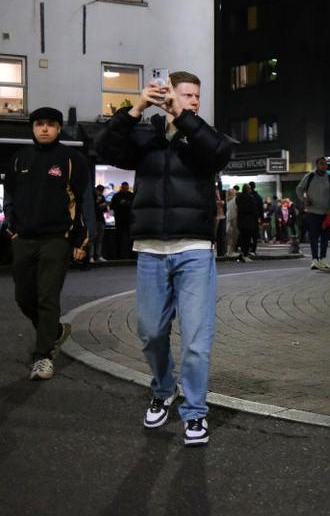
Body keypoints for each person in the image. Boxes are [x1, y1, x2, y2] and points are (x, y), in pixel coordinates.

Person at [95, 71, 233, 445]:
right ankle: (163, 388)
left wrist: (185, 118)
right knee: (151, 332)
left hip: (194, 250)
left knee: (195, 339)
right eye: (184, 94)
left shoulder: (202, 135)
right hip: (151, 250)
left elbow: (222, 152)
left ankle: (195, 411)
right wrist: (137, 106)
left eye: (196, 97)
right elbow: (104, 147)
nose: (192, 101)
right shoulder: (147, 135)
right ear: (166, 93)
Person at [4, 107, 90, 379]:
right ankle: (53, 331)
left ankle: (43, 356)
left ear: (58, 128)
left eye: (51, 125)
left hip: (57, 239)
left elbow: (84, 202)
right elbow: (10, 197)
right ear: (32, 128)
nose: (44, 129)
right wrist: (12, 229)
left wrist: (81, 240)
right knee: (22, 296)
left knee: (47, 296)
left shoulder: (72, 159)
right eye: (39, 124)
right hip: (24, 239)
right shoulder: (19, 158)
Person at [297, 157, 330, 270]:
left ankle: (323, 259)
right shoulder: (310, 176)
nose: (324, 166)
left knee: (324, 238)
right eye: (321, 164)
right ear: (316, 165)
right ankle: (314, 260)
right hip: (312, 212)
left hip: (326, 213)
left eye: (325, 164)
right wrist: (304, 200)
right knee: (313, 237)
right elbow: (299, 189)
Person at [236, 183, 260, 263]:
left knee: (242, 238)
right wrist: (257, 218)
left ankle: (242, 253)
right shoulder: (251, 198)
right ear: (248, 189)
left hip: (240, 221)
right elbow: (254, 210)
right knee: (247, 239)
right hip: (249, 221)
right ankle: (245, 254)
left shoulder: (238, 198)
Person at [110, 181, 134, 259]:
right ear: (122, 187)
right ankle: (119, 255)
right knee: (120, 238)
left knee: (129, 238)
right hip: (121, 219)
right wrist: (120, 204)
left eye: (126, 188)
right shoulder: (117, 196)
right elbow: (112, 206)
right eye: (124, 188)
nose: (125, 189)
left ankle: (130, 254)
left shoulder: (119, 195)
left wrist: (126, 203)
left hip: (127, 219)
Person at [91, 184, 109, 262]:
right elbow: (92, 208)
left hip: (101, 220)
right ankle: (90, 256)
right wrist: (98, 203)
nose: (101, 193)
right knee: (92, 239)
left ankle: (98, 255)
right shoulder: (92, 197)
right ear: (96, 190)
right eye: (100, 191)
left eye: (102, 191)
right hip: (93, 219)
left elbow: (105, 210)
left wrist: (104, 206)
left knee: (100, 239)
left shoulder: (102, 197)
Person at [225, 187, 239, 258]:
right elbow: (236, 209)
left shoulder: (227, 200)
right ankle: (231, 252)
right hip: (233, 219)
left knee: (229, 236)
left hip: (228, 219)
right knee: (233, 237)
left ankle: (229, 251)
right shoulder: (235, 200)